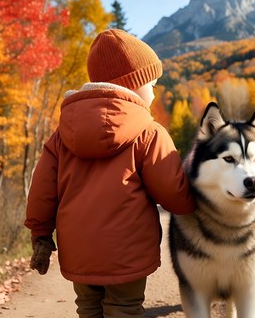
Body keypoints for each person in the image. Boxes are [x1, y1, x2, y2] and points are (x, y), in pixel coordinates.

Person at [24, 29, 195, 318]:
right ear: (132, 85)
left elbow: (42, 190)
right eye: (151, 84)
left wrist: (40, 233)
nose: (154, 92)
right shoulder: (149, 133)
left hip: (78, 250)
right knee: (124, 309)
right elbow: (172, 191)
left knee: (88, 308)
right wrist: (193, 205)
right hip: (127, 252)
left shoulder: (61, 134)